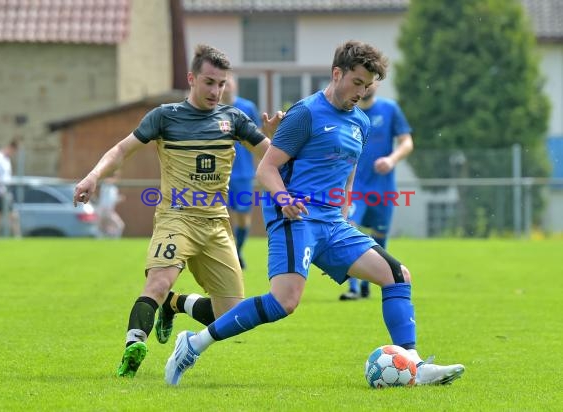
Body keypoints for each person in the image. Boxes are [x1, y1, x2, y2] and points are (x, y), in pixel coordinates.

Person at [164, 40, 465, 386]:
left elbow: (348, 171)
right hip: (296, 218)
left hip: (333, 225)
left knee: (397, 275)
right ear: (337, 74)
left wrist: (345, 212)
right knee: (284, 302)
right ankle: (193, 344)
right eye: (357, 82)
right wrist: (285, 199)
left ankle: (413, 363)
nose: (362, 92)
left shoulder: (362, 123)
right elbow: (267, 169)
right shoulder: (305, 113)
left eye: (368, 86)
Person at [73, 44, 282, 378]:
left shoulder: (235, 119)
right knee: (157, 282)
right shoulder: (164, 116)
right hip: (176, 218)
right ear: (191, 78)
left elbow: (272, 157)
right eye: (210, 82)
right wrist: (94, 175)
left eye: (221, 84)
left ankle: (175, 303)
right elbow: (122, 149)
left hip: (215, 223)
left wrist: (277, 139)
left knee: (230, 316)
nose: (216, 91)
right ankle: (133, 348)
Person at [339, 80, 413, 300]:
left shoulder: (389, 109)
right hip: (354, 187)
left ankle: (368, 285)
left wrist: (391, 160)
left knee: (379, 236)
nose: (365, 87)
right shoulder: (346, 113)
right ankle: (352, 287)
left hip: (383, 187)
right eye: (360, 82)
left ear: (376, 85)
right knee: (349, 230)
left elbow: (407, 142)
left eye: (369, 82)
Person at [221, 74, 262, 269]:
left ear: (235, 86)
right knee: (221, 216)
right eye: (223, 84)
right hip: (219, 174)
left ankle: (238, 250)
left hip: (243, 173)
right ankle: (227, 254)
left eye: (228, 83)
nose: (225, 87)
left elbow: (259, 138)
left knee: (243, 217)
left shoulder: (247, 108)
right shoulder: (212, 109)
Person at [0, 138, 21, 237]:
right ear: (10, 148)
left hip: (6, 190)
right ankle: (18, 237)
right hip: (0, 192)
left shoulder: (6, 159)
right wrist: (1, 190)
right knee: (13, 215)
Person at [97, 171, 125, 238]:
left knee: (106, 228)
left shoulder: (114, 188)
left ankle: (107, 241)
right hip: (104, 210)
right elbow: (107, 181)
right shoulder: (107, 183)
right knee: (119, 225)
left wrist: (119, 199)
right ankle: (112, 241)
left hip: (108, 210)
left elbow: (112, 199)